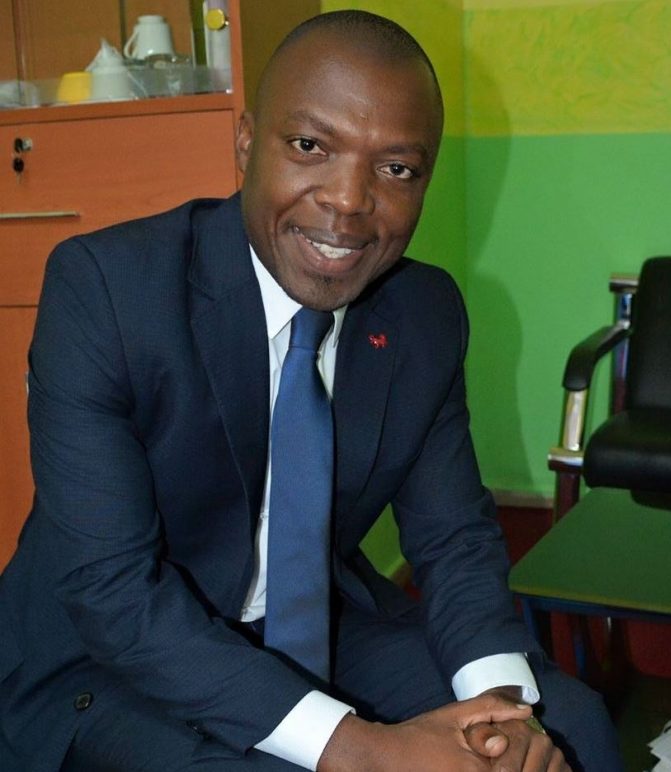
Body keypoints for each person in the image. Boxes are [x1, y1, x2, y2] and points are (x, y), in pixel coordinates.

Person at [0, 11, 624, 772]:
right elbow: (113, 591)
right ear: (245, 143)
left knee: (569, 728)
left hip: (318, 625)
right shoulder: (108, 290)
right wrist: (365, 750)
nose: (349, 201)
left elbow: (453, 538)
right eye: (310, 147)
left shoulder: (421, 313)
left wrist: (503, 711)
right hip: (110, 661)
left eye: (397, 169)